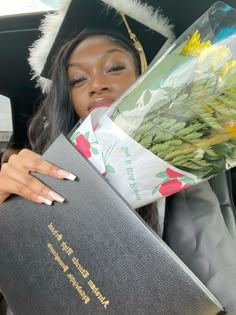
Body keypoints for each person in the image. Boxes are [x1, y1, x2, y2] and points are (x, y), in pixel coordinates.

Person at [0, 0, 235, 312]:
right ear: (67, 97)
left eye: (115, 68)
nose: (97, 84)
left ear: (144, 77)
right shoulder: (38, 171)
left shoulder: (185, 174)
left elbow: (217, 285)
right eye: (77, 80)